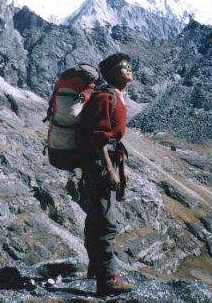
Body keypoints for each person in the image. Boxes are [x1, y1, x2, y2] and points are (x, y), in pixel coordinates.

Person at [77, 53, 135, 297]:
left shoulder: (115, 96)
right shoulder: (105, 97)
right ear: (111, 72)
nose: (129, 69)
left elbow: (111, 137)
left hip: (104, 162)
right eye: (124, 66)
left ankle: (96, 268)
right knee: (106, 220)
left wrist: (121, 167)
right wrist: (110, 170)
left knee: (97, 215)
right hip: (100, 164)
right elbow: (100, 137)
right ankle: (107, 279)